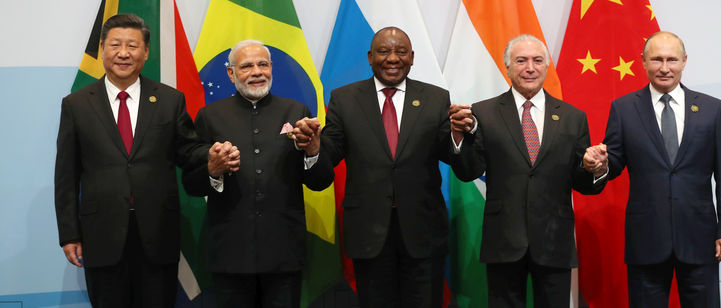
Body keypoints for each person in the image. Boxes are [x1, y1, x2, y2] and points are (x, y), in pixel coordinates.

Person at [54, 14, 239, 307]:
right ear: (102, 49)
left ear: (146, 52)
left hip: (157, 233)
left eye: (132, 45)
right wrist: (69, 234)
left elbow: (188, 152)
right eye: (115, 45)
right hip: (101, 235)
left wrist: (210, 156)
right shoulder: (76, 104)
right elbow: (66, 175)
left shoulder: (169, 100)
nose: (123, 53)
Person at [448, 34, 608, 308]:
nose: (530, 67)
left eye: (537, 60)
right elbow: (469, 171)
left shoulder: (573, 117)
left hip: (554, 240)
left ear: (547, 66)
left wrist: (595, 168)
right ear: (507, 67)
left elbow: (582, 182)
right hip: (503, 240)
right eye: (521, 61)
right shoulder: (483, 113)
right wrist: (458, 138)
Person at [181, 39, 334, 307]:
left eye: (263, 64)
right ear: (231, 73)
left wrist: (313, 151)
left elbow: (320, 182)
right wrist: (213, 170)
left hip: (284, 252)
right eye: (247, 66)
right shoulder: (209, 116)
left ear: (272, 68)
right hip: (230, 253)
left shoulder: (296, 112)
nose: (256, 72)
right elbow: (191, 184)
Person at [599, 31, 721, 308]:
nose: (664, 68)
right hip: (646, 238)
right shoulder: (623, 108)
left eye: (672, 60)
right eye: (657, 59)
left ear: (684, 61)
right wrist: (600, 163)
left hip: (700, 238)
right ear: (643, 62)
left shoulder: (712, 109)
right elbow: (613, 164)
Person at [316, 26, 452, 307]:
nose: (393, 58)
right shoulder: (344, 98)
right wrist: (313, 147)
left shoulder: (436, 99)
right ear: (369, 57)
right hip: (369, 231)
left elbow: (453, 156)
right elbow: (331, 152)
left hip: (423, 231)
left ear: (412, 57)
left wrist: (461, 137)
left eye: (401, 52)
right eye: (384, 51)